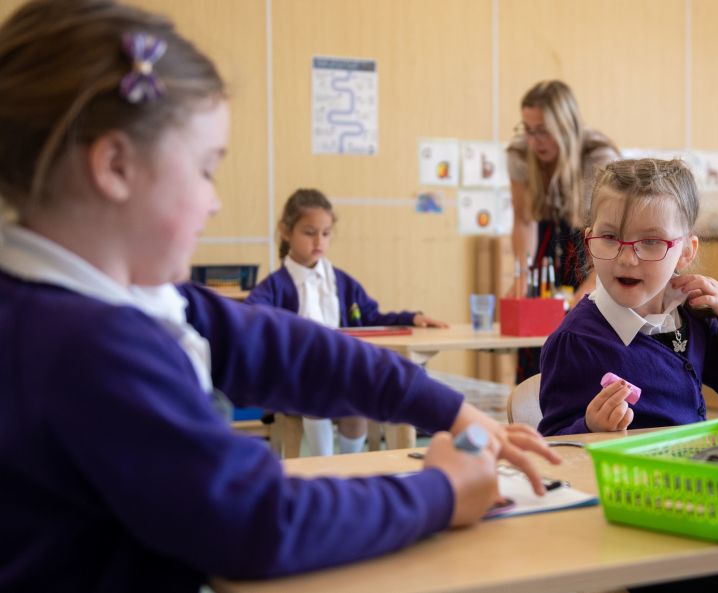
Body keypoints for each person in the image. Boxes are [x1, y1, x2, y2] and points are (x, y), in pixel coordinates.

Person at [0, 1, 559, 591]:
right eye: (206, 169)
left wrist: (446, 408)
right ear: (115, 165)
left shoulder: (119, 298)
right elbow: (257, 521)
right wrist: (439, 492)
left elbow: (283, 348)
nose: (214, 201)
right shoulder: (86, 345)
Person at [537, 158, 718, 592]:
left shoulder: (691, 314)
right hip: (639, 524)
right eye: (611, 238)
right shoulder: (578, 341)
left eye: (651, 242)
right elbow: (557, 446)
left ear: (686, 251)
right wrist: (591, 426)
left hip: (699, 494)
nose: (627, 257)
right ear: (589, 240)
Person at [246, 188, 448, 456]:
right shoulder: (274, 286)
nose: (319, 240)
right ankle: (323, 463)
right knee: (316, 394)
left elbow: (372, 318)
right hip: (295, 378)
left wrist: (410, 318)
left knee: (358, 396)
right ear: (285, 231)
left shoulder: (343, 283)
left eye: (326, 233)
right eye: (309, 232)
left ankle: (350, 464)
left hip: (341, 369)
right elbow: (251, 317)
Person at [506, 80, 619, 383]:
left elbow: (608, 231)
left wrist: (593, 284)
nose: (534, 141)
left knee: (581, 335)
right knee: (536, 341)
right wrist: (523, 273)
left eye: (543, 130)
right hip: (546, 244)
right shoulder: (519, 154)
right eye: (527, 129)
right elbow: (523, 220)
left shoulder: (598, 154)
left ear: (566, 125)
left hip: (590, 245)